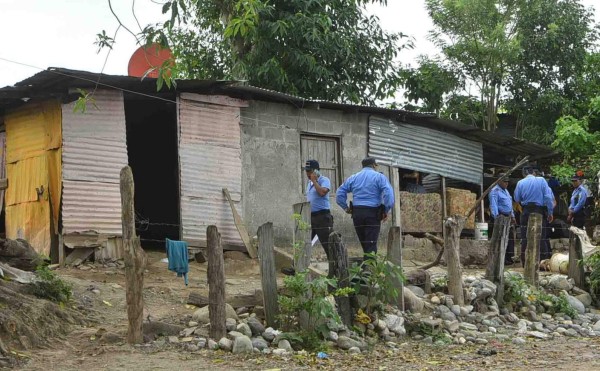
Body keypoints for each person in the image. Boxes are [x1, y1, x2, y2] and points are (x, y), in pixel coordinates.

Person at [336, 157, 394, 260]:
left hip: (357, 213)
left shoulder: (353, 177)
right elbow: (389, 194)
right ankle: (370, 271)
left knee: (365, 243)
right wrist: (385, 210)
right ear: (373, 165)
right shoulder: (379, 177)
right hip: (373, 213)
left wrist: (346, 208)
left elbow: (340, 193)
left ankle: (366, 268)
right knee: (371, 244)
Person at [282, 160, 333, 276]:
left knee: (328, 244)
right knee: (304, 242)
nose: (307, 174)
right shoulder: (309, 184)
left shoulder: (324, 180)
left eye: (310, 171)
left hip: (323, 216)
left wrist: (315, 180)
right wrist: (312, 181)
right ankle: (295, 268)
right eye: (306, 171)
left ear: (316, 171)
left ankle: (334, 270)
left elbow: (322, 193)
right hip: (310, 217)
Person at [514, 166, 554, 264]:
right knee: (541, 236)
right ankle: (542, 262)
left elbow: (516, 198)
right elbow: (548, 198)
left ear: (524, 173)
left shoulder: (520, 183)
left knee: (525, 237)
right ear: (534, 173)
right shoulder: (541, 180)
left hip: (526, 210)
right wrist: (550, 212)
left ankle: (525, 261)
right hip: (539, 210)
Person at [488, 174, 516, 265]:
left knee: (509, 238)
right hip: (500, 217)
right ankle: (501, 259)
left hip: (508, 217)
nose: (506, 183)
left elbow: (509, 204)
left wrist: (512, 216)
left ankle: (509, 257)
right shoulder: (494, 191)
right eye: (504, 181)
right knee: (500, 238)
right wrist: (496, 218)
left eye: (507, 182)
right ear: (499, 181)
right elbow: (493, 205)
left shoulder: (506, 191)